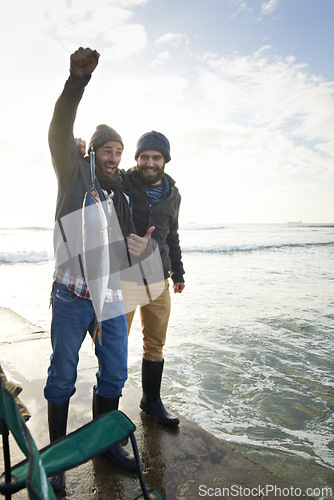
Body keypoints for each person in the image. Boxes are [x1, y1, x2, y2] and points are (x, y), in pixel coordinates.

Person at [45, 47, 152, 491]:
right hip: (71, 295)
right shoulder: (74, 176)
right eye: (107, 150)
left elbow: (140, 233)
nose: (114, 157)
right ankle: (56, 456)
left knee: (115, 373)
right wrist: (76, 83)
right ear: (95, 152)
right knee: (63, 373)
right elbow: (59, 131)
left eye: (119, 152)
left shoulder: (123, 192)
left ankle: (104, 442)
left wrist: (143, 249)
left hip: (109, 295)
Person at [121, 131, 185, 428]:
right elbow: (95, 174)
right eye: (144, 157)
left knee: (155, 344)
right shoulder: (123, 182)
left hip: (159, 279)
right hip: (128, 278)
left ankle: (151, 400)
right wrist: (85, 151)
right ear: (136, 160)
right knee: (115, 344)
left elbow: (172, 235)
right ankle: (109, 411)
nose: (150, 162)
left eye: (156, 157)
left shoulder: (174, 194)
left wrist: (179, 273)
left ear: (165, 161)